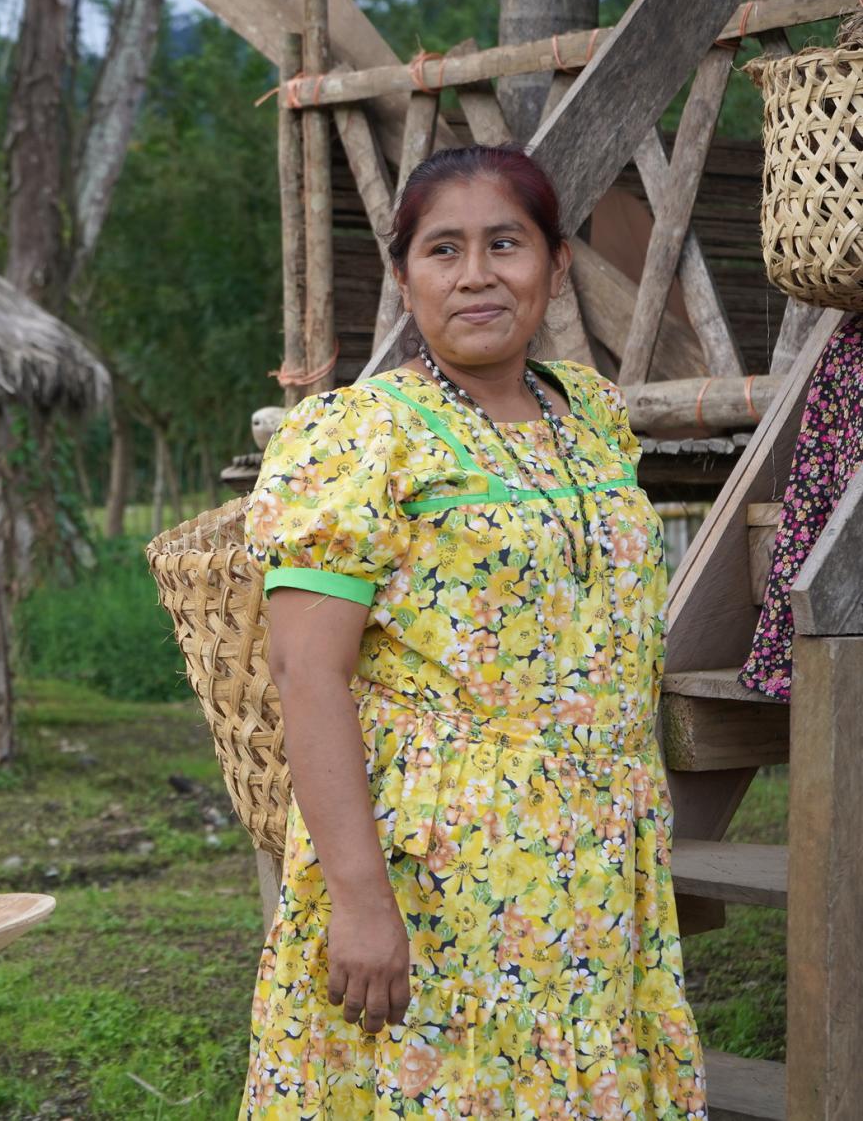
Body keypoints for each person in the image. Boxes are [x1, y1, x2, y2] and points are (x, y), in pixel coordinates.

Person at [241, 146, 707, 1117]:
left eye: (505, 243)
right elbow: (305, 673)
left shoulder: (590, 416)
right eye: (442, 250)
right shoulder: (361, 435)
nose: (476, 275)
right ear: (403, 276)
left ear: (556, 263)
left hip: (590, 856)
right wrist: (361, 903)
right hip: (440, 876)